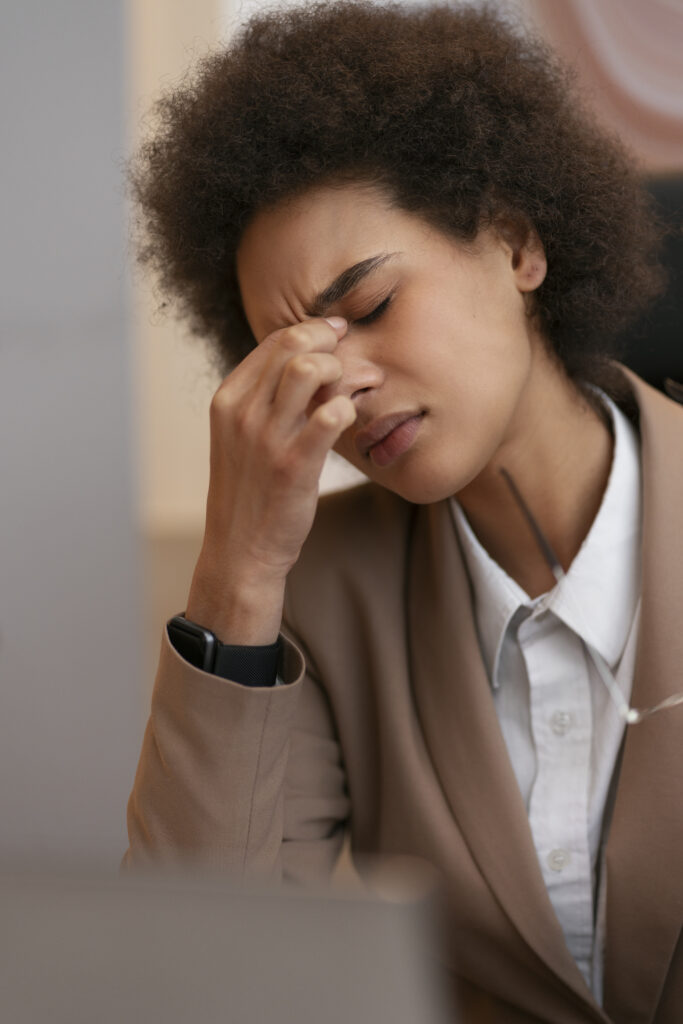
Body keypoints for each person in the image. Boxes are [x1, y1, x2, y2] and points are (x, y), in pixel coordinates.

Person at [124, 2, 683, 1020]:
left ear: (515, 244)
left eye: (371, 307)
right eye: (289, 360)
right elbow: (187, 974)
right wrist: (238, 571)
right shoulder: (317, 596)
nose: (341, 392)